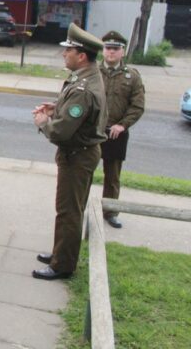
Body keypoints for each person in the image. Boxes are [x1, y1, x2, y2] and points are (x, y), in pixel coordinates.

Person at [33, 23, 107, 280]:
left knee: (69, 211)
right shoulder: (87, 77)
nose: (64, 54)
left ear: (82, 55)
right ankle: (60, 252)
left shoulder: (83, 89)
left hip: (77, 156)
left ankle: (62, 265)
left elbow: (62, 132)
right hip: (82, 153)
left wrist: (45, 123)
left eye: (69, 50)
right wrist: (57, 108)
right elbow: (79, 111)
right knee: (69, 209)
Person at [99, 30, 145, 228]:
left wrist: (123, 124)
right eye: (108, 48)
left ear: (122, 52)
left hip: (115, 132)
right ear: (103, 50)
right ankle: (80, 209)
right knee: (83, 173)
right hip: (92, 131)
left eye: (115, 49)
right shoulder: (91, 71)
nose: (111, 52)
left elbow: (137, 106)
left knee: (112, 176)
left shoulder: (132, 76)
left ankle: (110, 211)